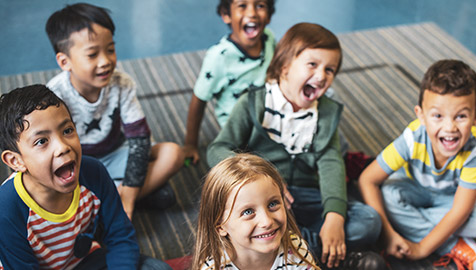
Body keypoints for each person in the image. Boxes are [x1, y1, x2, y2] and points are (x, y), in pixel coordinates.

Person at [207, 23, 385, 269]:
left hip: (307, 196)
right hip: (262, 201)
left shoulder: (325, 113)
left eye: (330, 69)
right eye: (312, 65)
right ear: (284, 66)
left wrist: (334, 217)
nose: (322, 76)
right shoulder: (253, 103)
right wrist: (261, 175)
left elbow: (332, 163)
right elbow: (217, 149)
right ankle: (328, 257)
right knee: (221, 223)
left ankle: (296, 251)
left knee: (369, 221)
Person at [0, 84, 171, 270]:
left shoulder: (93, 172)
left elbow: (121, 236)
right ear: (16, 161)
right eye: (42, 141)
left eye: (67, 131)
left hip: (85, 260)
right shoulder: (6, 209)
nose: (63, 146)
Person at [45, 3, 184, 219]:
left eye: (110, 49)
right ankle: (132, 193)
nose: (106, 61)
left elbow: (139, 140)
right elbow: (51, 150)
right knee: (47, 186)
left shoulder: (121, 83)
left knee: (174, 154)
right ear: (65, 61)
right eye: (92, 54)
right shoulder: (54, 95)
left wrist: (128, 196)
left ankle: (115, 199)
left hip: (117, 153)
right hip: (79, 165)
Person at [359, 59, 476, 269]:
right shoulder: (412, 138)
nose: (449, 127)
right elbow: (367, 180)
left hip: (451, 201)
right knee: (389, 195)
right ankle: (454, 243)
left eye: (461, 116)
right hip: (413, 189)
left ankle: (432, 235)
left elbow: (460, 210)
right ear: (421, 115)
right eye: (438, 116)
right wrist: (388, 235)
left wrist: (422, 248)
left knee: (475, 220)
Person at [183, 0, 276, 164]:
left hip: (268, 115)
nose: (252, 13)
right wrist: (190, 144)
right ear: (226, 15)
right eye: (242, 6)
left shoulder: (269, 38)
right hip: (239, 131)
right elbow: (199, 99)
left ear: (269, 15)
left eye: (260, 5)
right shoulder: (219, 57)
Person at [192, 153, 319, 270]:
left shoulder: (295, 249)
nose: (267, 221)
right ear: (220, 226)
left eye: (272, 204)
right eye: (248, 212)